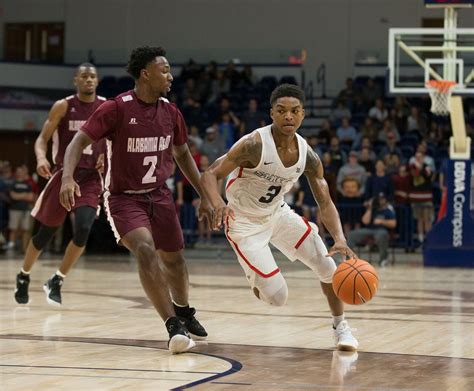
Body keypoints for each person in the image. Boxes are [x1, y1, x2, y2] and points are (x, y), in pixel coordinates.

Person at [59, 46, 210, 354]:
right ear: (145, 74)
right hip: (124, 199)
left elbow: (182, 154)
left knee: (175, 259)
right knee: (144, 250)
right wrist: (67, 176)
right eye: (164, 71)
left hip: (160, 195)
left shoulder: (171, 112)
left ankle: (183, 310)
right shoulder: (116, 108)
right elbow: (78, 140)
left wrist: (205, 195)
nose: (170, 76)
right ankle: (172, 326)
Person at [201, 84, 359, 351]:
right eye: (282, 111)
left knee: (328, 267)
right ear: (271, 113)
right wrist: (217, 203)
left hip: (277, 214)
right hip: (243, 222)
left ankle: (341, 327)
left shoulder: (307, 155)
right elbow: (210, 173)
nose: (288, 116)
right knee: (277, 298)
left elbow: (325, 201)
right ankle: (255, 276)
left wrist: (340, 238)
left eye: (294, 111)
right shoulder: (253, 144)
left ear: (303, 115)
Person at [14, 63, 106, 307]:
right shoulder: (64, 106)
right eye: (84, 76)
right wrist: (41, 157)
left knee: (84, 228)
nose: (89, 80)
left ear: (97, 81)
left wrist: (106, 153)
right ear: (75, 80)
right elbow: (42, 139)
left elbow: (114, 138)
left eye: (92, 76)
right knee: (45, 234)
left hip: (91, 178)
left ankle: (57, 279)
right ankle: (23, 275)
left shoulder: (106, 107)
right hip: (64, 174)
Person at [347, 193, 397, 267]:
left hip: (381, 230)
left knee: (382, 235)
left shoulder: (388, 210)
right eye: (379, 199)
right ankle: (349, 258)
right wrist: (370, 208)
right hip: (369, 229)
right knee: (352, 234)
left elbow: (393, 223)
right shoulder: (373, 209)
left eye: (382, 199)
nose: (380, 201)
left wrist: (382, 221)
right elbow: (365, 221)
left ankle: (383, 259)